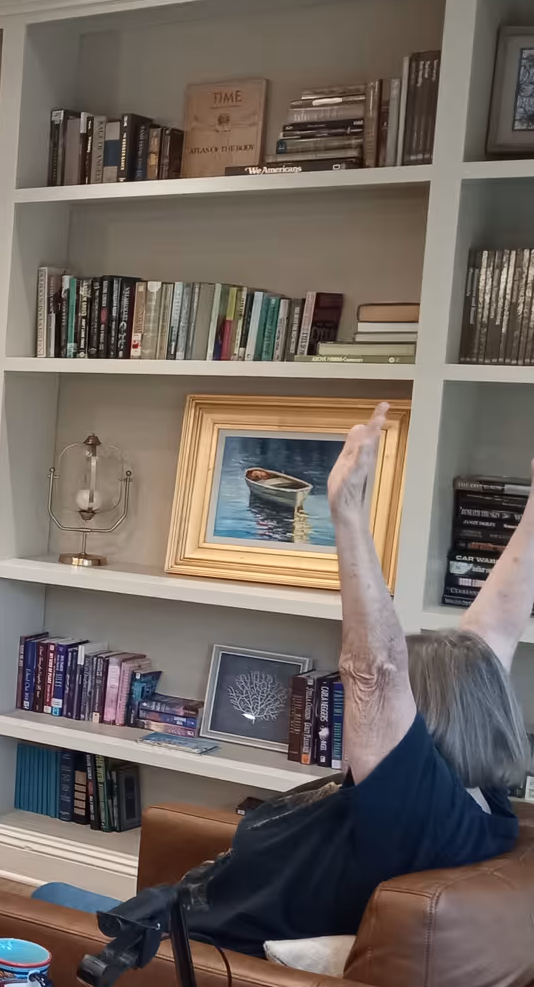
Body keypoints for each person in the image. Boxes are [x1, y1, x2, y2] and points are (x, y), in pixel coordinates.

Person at [37, 403, 525, 955]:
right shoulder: (482, 803)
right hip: (182, 908)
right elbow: (494, 630)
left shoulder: (417, 811)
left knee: (42, 900)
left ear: (424, 718)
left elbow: (377, 671)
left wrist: (346, 513)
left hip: (196, 953)